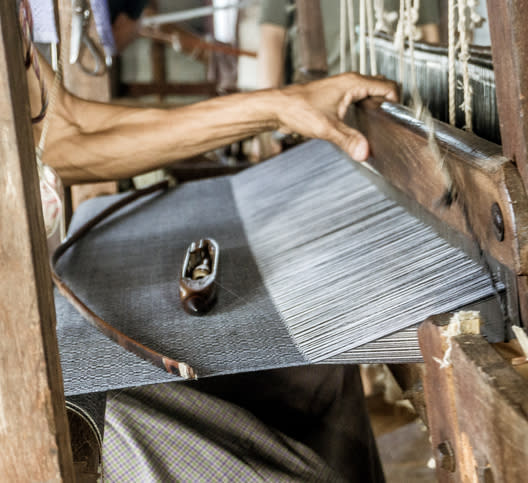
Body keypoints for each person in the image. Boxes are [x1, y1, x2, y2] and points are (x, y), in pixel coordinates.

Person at [18, 1, 398, 480]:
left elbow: (61, 135)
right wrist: (274, 106)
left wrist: (277, 105)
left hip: (35, 344)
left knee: (320, 377)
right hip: (24, 388)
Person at [251, 0, 440, 160]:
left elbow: (429, 36)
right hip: (318, 117)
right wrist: (265, 128)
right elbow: (272, 37)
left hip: (394, 112)